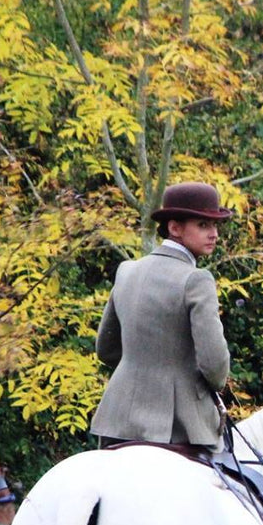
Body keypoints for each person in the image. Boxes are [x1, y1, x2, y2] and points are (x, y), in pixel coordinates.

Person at [90, 181, 233, 449]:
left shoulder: (127, 271)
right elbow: (214, 367)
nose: (214, 234)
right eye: (203, 225)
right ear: (174, 227)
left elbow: (106, 350)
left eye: (215, 225)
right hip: (178, 427)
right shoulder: (196, 279)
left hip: (116, 421)